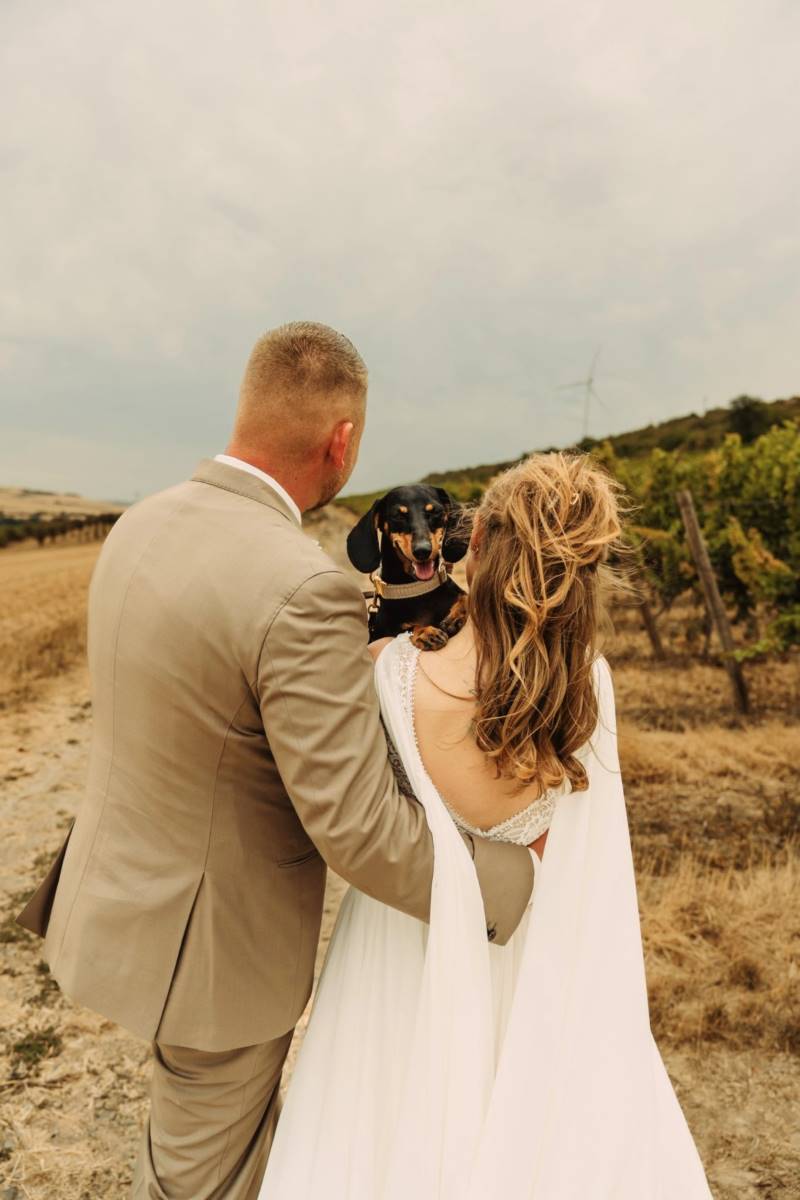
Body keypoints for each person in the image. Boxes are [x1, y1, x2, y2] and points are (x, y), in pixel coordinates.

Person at [16, 322, 537, 1200]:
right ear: (342, 441)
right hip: (210, 954)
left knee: (184, 1142)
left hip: (120, 905)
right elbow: (358, 828)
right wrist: (514, 876)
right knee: (203, 1181)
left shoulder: (143, 521)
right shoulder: (304, 588)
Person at [259, 453, 714, 1199]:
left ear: (476, 545)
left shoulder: (395, 670)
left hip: (412, 941)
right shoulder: (587, 680)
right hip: (544, 944)